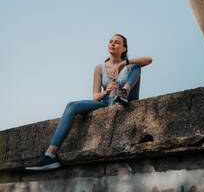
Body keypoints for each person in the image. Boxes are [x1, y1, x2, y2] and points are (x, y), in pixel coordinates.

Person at [24, 34, 152, 170]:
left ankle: (124, 92)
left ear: (124, 48)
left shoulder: (129, 65)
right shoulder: (99, 68)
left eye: (117, 42)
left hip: (127, 100)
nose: (112, 44)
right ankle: (50, 156)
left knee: (136, 66)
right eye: (110, 41)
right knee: (71, 106)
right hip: (107, 101)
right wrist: (106, 91)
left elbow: (149, 59)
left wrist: (125, 62)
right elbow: (95, 96)